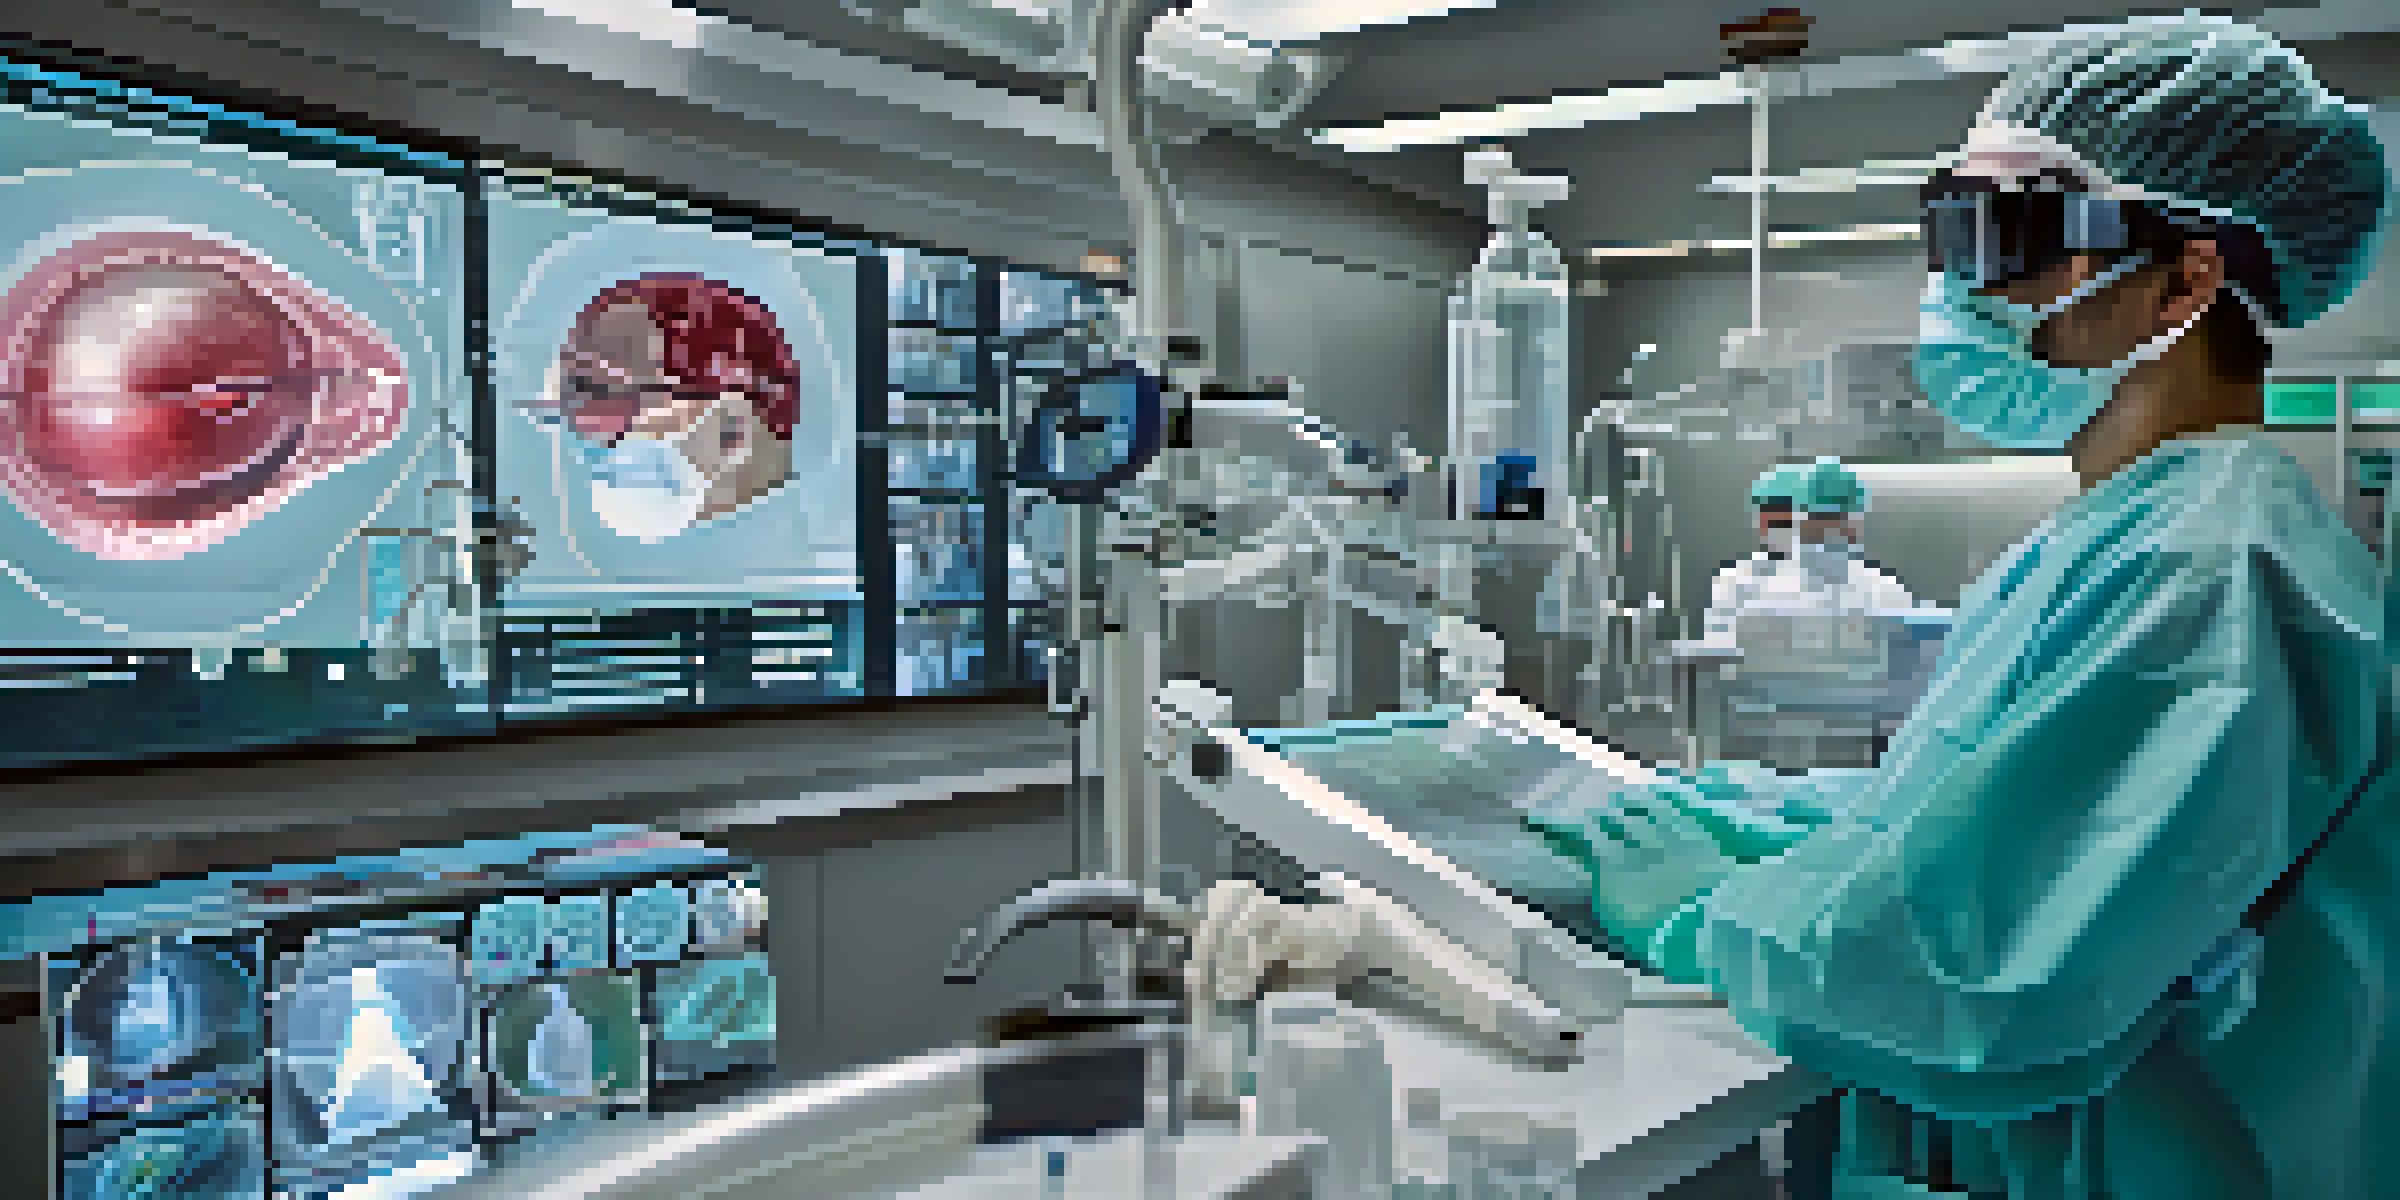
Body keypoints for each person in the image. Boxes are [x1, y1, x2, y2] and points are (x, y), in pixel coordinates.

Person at [1187, 17, 2395, 1198]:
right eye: (1946, 233)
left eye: (2006, 235)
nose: (1957, 287)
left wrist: (1707, 910)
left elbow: (1978, 964)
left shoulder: (2206, 575)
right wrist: (1734, 825)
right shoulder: (2137, 536)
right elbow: (1958, 821)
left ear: (2183, 278)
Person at [1701, 459, 1928, 767]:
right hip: (1857, 757)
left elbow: (1732, 677)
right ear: (1856, 522)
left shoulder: (1762, 601)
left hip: (1776, 752)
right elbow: (1910, 679)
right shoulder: (1886, 591)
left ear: (1798, 520)